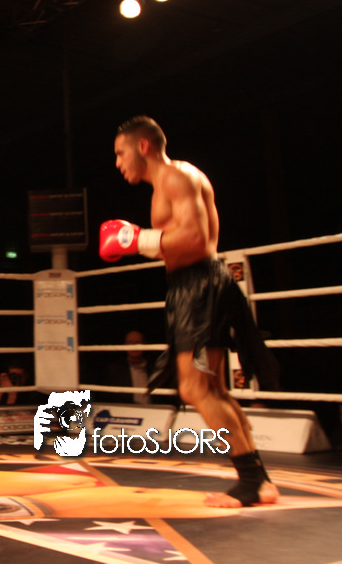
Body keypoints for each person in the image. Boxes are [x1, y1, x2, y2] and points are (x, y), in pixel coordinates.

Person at [100, 115, 280, 508]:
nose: (118, 162)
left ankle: (251, 482)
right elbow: (175, 244)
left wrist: (136, 239)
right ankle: (259, 481)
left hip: (200, 286)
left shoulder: (176, 177)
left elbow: (196, 239)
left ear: (143, 146)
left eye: (120, 152)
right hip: (192, 287)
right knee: (211, 389)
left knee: (195, 389)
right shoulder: (168, 183)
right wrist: (140, 242)